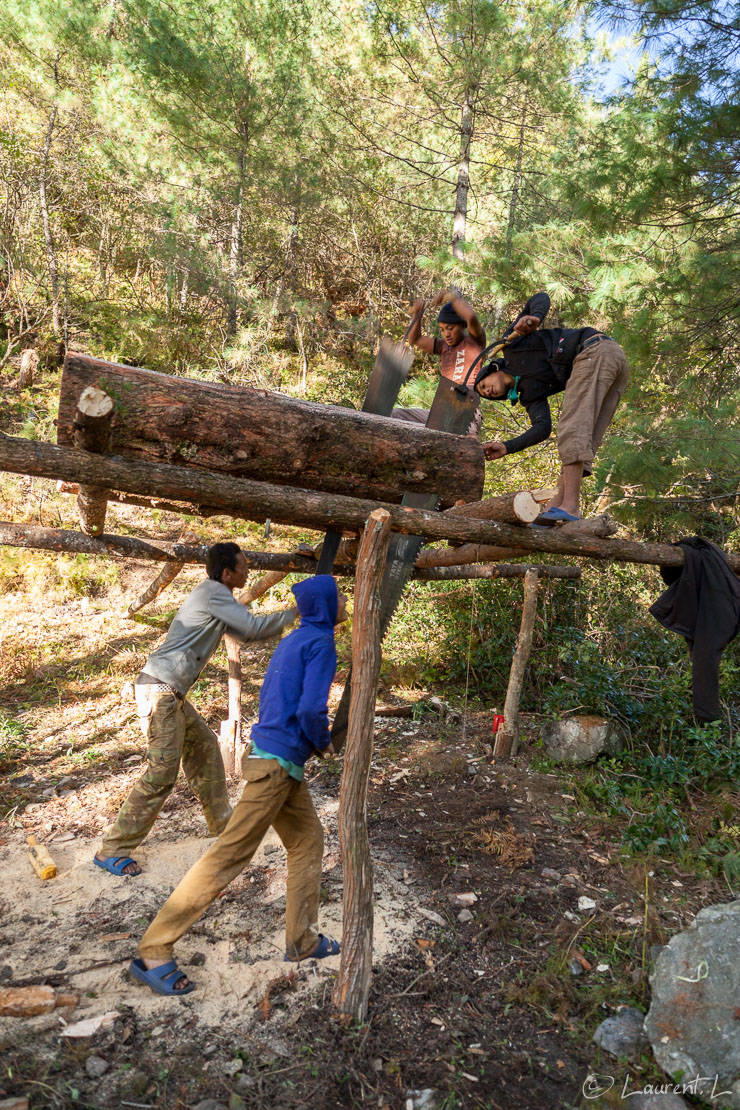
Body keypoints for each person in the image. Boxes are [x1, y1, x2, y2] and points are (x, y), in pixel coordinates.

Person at [128, 575, 347, 995]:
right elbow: (309, 710)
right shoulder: (320, 644)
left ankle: (301, 940)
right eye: (339, 598)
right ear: (324, 605)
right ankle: (154, 948)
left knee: (307, 840)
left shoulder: (295, 640)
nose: (344, 604)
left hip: (275, 761)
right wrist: (325, 745)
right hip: (276, 768)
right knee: (229, 855)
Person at [94, 542, 297, 877]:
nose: (249, 570)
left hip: (170, 693)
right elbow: (251, 627)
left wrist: (287, 620)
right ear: (228, 572)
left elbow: (247, 634)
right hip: (159, 692)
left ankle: (222, 825)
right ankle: (112, 849)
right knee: (161, 774)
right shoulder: (214, 592)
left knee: (205, 752)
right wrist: (295, 612)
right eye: (244, 565)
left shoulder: (217, 599)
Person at [474, 292, 629, 521]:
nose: (487, 391)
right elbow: (542, 428)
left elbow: (540, 297)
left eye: (484, 385)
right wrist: (508, 446)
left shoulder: (511, 345)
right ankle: (556, 508)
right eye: (486, 395)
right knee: (584, 438)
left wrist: (534, 318)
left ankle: (570, 507)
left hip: (593, 351)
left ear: (493, 370)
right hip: (611, 359)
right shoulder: (528, 394)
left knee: (572, 428)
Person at [393, 287, 487, 436]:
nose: (446, 334)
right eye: (442, 330)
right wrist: (418, 313)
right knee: (394, 415)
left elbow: (471, 318)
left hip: (466, 415)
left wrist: (452, 298)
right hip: (441, 414)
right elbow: (415, 339)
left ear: (462, 326)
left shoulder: (475, 342)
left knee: (464, 442)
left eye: (450, 328)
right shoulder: (443, 346)